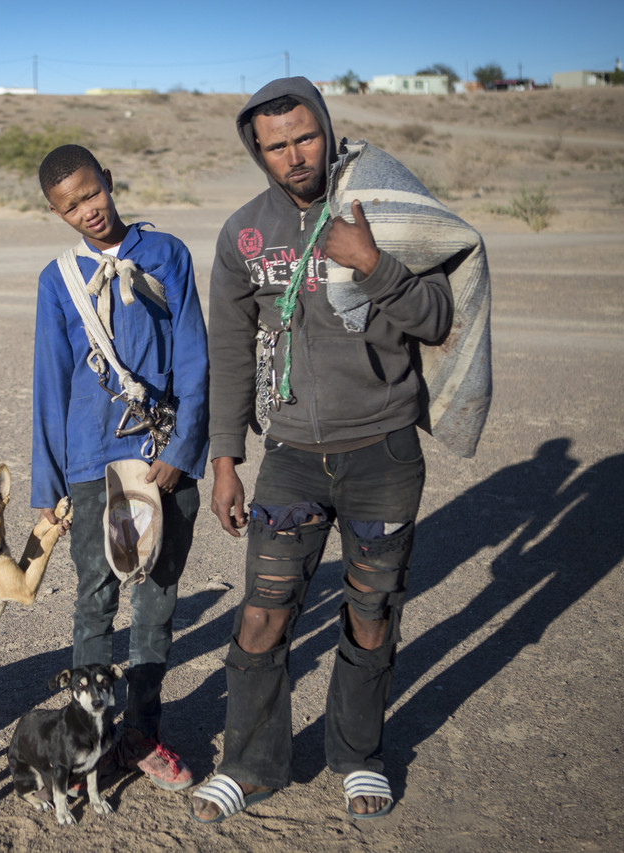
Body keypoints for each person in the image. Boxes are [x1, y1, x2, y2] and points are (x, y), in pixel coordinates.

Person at [189, 77, 457, 823]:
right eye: (275, 145)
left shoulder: (380, 206)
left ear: (328, 130)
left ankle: (359, 755)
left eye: (305, 137)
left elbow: (437, 318)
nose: (294, 155)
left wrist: (372, 262)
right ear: (257, 150)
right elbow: (230, 350)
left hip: (383, 453)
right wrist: (223, 460)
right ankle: (250, 765)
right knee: (262, 615)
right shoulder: (243, 234)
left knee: (372, 613)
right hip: (291, 457)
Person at [31, 144, 209, 791]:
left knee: (156, 600)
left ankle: (141, 733)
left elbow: (194, 357)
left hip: (162, 456)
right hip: (90, 462)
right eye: (70, 207)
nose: (88, 211)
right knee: (94, 602)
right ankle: (89, 743)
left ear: (108, 180)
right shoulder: (58, 279)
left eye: (91, 193)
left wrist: (182, 450)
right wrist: (48, 484)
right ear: (57, 213)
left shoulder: (167, 254)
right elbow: (49, 382)